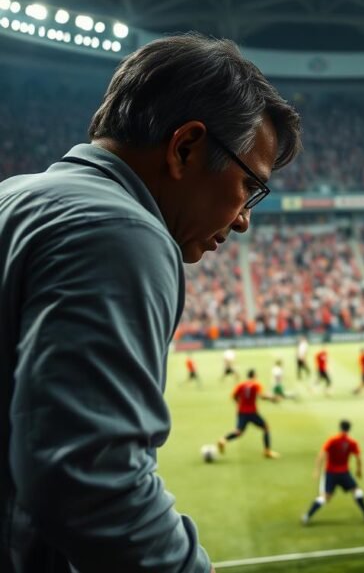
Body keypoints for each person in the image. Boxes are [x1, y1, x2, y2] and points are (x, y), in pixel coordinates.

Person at [0, 33, 300, 572]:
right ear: (185, 147)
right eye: (249, 187)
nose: (243, 220)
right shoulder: (118, 231)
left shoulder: (17, 196)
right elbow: (90, 481)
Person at [301, 420, 364, 525]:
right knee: (357, 491)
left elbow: (321, 455)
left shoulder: (332, 440)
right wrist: (359, 470)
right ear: (349, 429)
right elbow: (358, 457)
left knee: (325, 497)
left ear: (340, 427)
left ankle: (307, 517)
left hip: (330, 473)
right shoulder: (352, 442)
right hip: (344, 473)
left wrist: (316, 470)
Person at [218, 369, 280, 459]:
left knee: (239, 431)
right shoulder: (256, 384)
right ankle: (267, 451)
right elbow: (262, 396)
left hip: (241, 412)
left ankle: (223, 439)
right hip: (252, 412)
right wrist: (273, 398)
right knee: (266, 428)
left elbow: (233, 396)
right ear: (254, 376)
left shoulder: (241, 385)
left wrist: (239, 403)